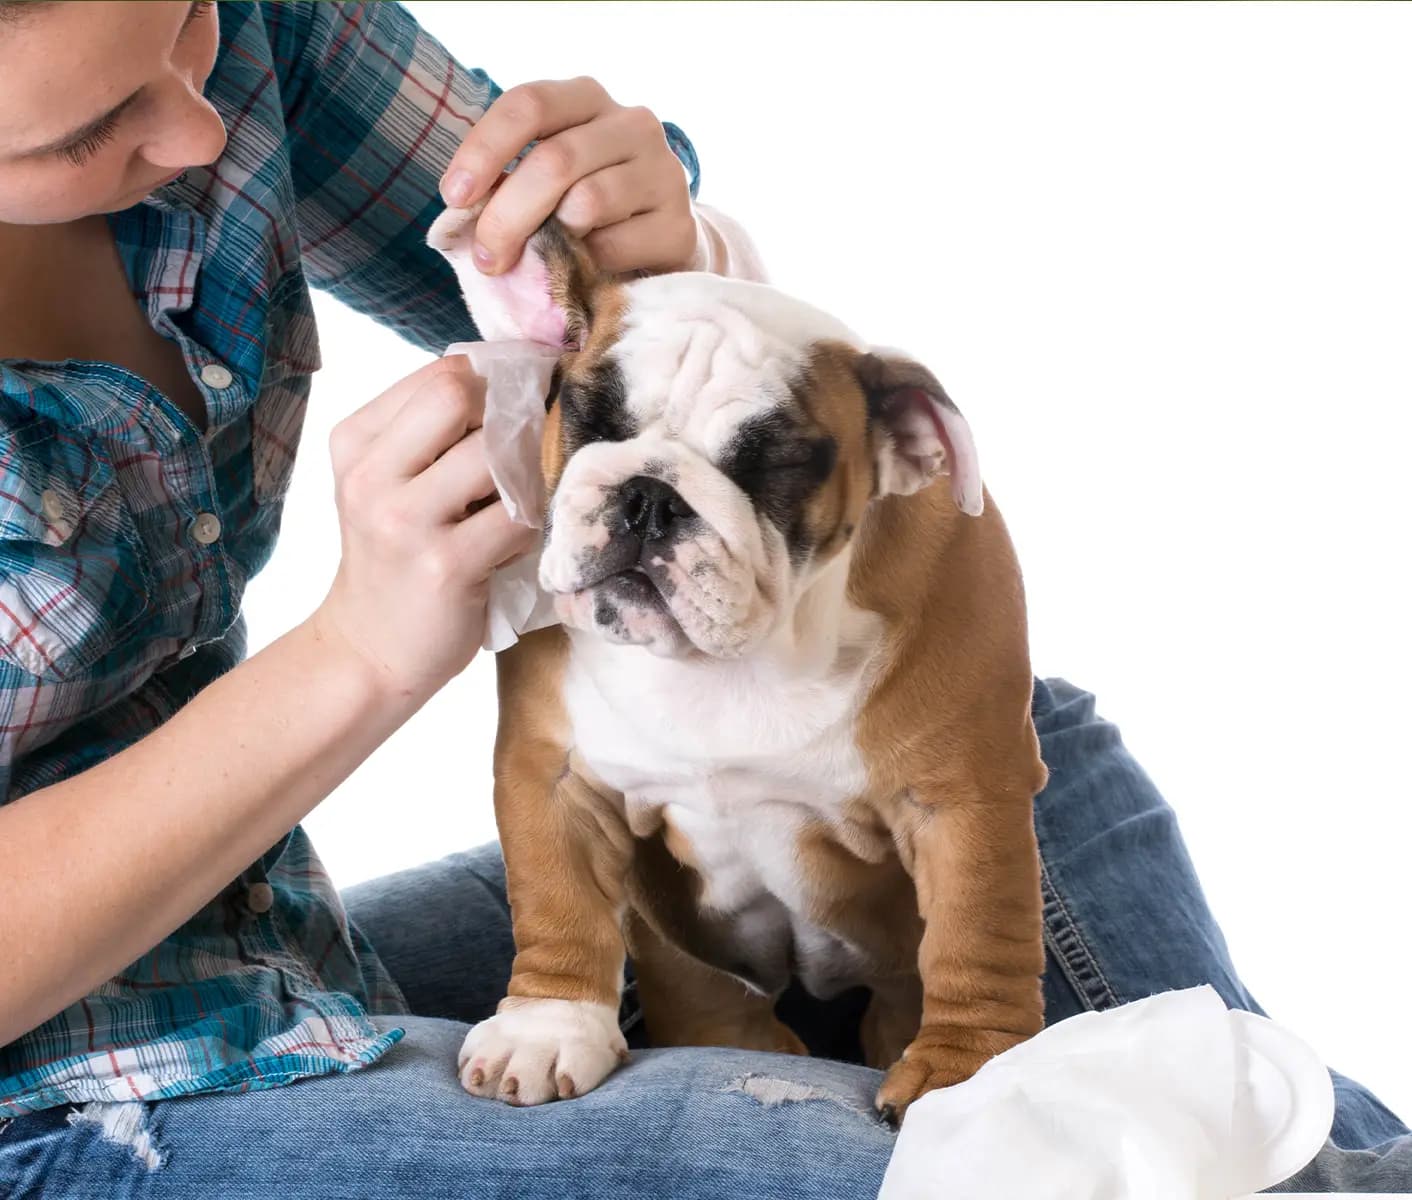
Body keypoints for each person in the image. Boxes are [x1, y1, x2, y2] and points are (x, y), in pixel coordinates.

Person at [0, 2, 1404, 1196]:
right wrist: (359, 655)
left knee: (1015, 754)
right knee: (959, 1174)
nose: (199, 129)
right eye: (85, 131)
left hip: (275, 934)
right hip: (72, 1106)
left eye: (189, 19)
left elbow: (595, 305)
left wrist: (658, 226)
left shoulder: (242, 36)